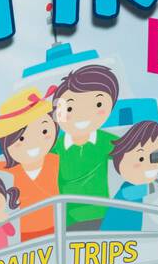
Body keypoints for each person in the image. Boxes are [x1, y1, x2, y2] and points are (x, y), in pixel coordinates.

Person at [0, 87, 61, 241]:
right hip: (27, 229)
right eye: (20, 139)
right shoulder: (14, 169)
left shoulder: (55, 159)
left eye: (44, 131)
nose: (34, 143)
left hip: (56, 225)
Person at [52, 64, 123, 230]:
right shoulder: (56, 147)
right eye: (70, 107)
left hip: (101, 213)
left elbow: (131, 151)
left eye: (97, 104)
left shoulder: (106, 141)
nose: (82, 114)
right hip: (68, 218)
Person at [102, 120, 158, 231]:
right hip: (113, 240)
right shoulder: (128, 191)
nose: (151, 165)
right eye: (141, 158)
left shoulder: (133, 190)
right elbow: (156, 186)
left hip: (128, 240)